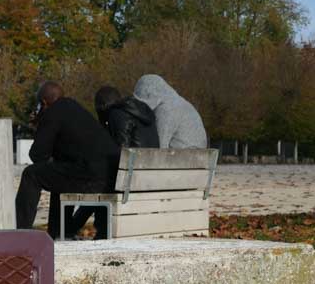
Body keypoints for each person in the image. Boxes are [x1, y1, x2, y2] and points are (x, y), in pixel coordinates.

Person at [16, 81, 118, 238]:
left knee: (31, 174)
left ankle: (20, 234)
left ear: (43, 103)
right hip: (109, 177)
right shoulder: (74, 108)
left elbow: (37, 156)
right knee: (57, 174)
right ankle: (58, 232)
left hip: (93, 179)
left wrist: (39, 124)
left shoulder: (52, 112)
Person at [133, 74, 207, 149]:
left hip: (182, 154)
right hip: (197, 153)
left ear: (149, 95)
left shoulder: (166, 110)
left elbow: (160, 147)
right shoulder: (177, 102)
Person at [94, 85, 159, 149]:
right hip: (154, 155)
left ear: (103, 106)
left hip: (134, 155)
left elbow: (122, 146)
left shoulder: (116, 113)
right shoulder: (142, 110)